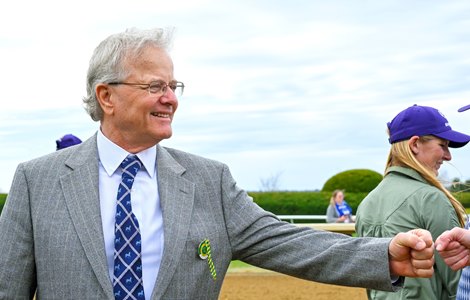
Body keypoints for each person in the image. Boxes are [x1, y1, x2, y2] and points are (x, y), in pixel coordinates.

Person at [0, 28, 435, 299]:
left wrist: (385, 257)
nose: (170, 97)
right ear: (106, 96)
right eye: (155, 85)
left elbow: (290, 243)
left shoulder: (210, 180)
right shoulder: (37, 181)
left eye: (174, 85)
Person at [355, 104, 470, 299]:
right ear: (415, 144)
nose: (448, 156)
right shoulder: (431, 198)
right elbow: (458, 284)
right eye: (442, 145)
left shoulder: (367, 202)